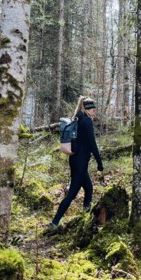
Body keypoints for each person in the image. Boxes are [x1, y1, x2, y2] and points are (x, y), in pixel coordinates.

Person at [48, 96, 104, 228]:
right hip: (81, 162)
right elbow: (92, 144)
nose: (94, 111)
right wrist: (99, 162)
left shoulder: (77, 118)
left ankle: (85, 218)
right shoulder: (87, 121)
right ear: (88, 109)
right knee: (72, 193)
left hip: (74, 160)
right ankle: (54, 222)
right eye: (93, 109)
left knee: (89, 188)